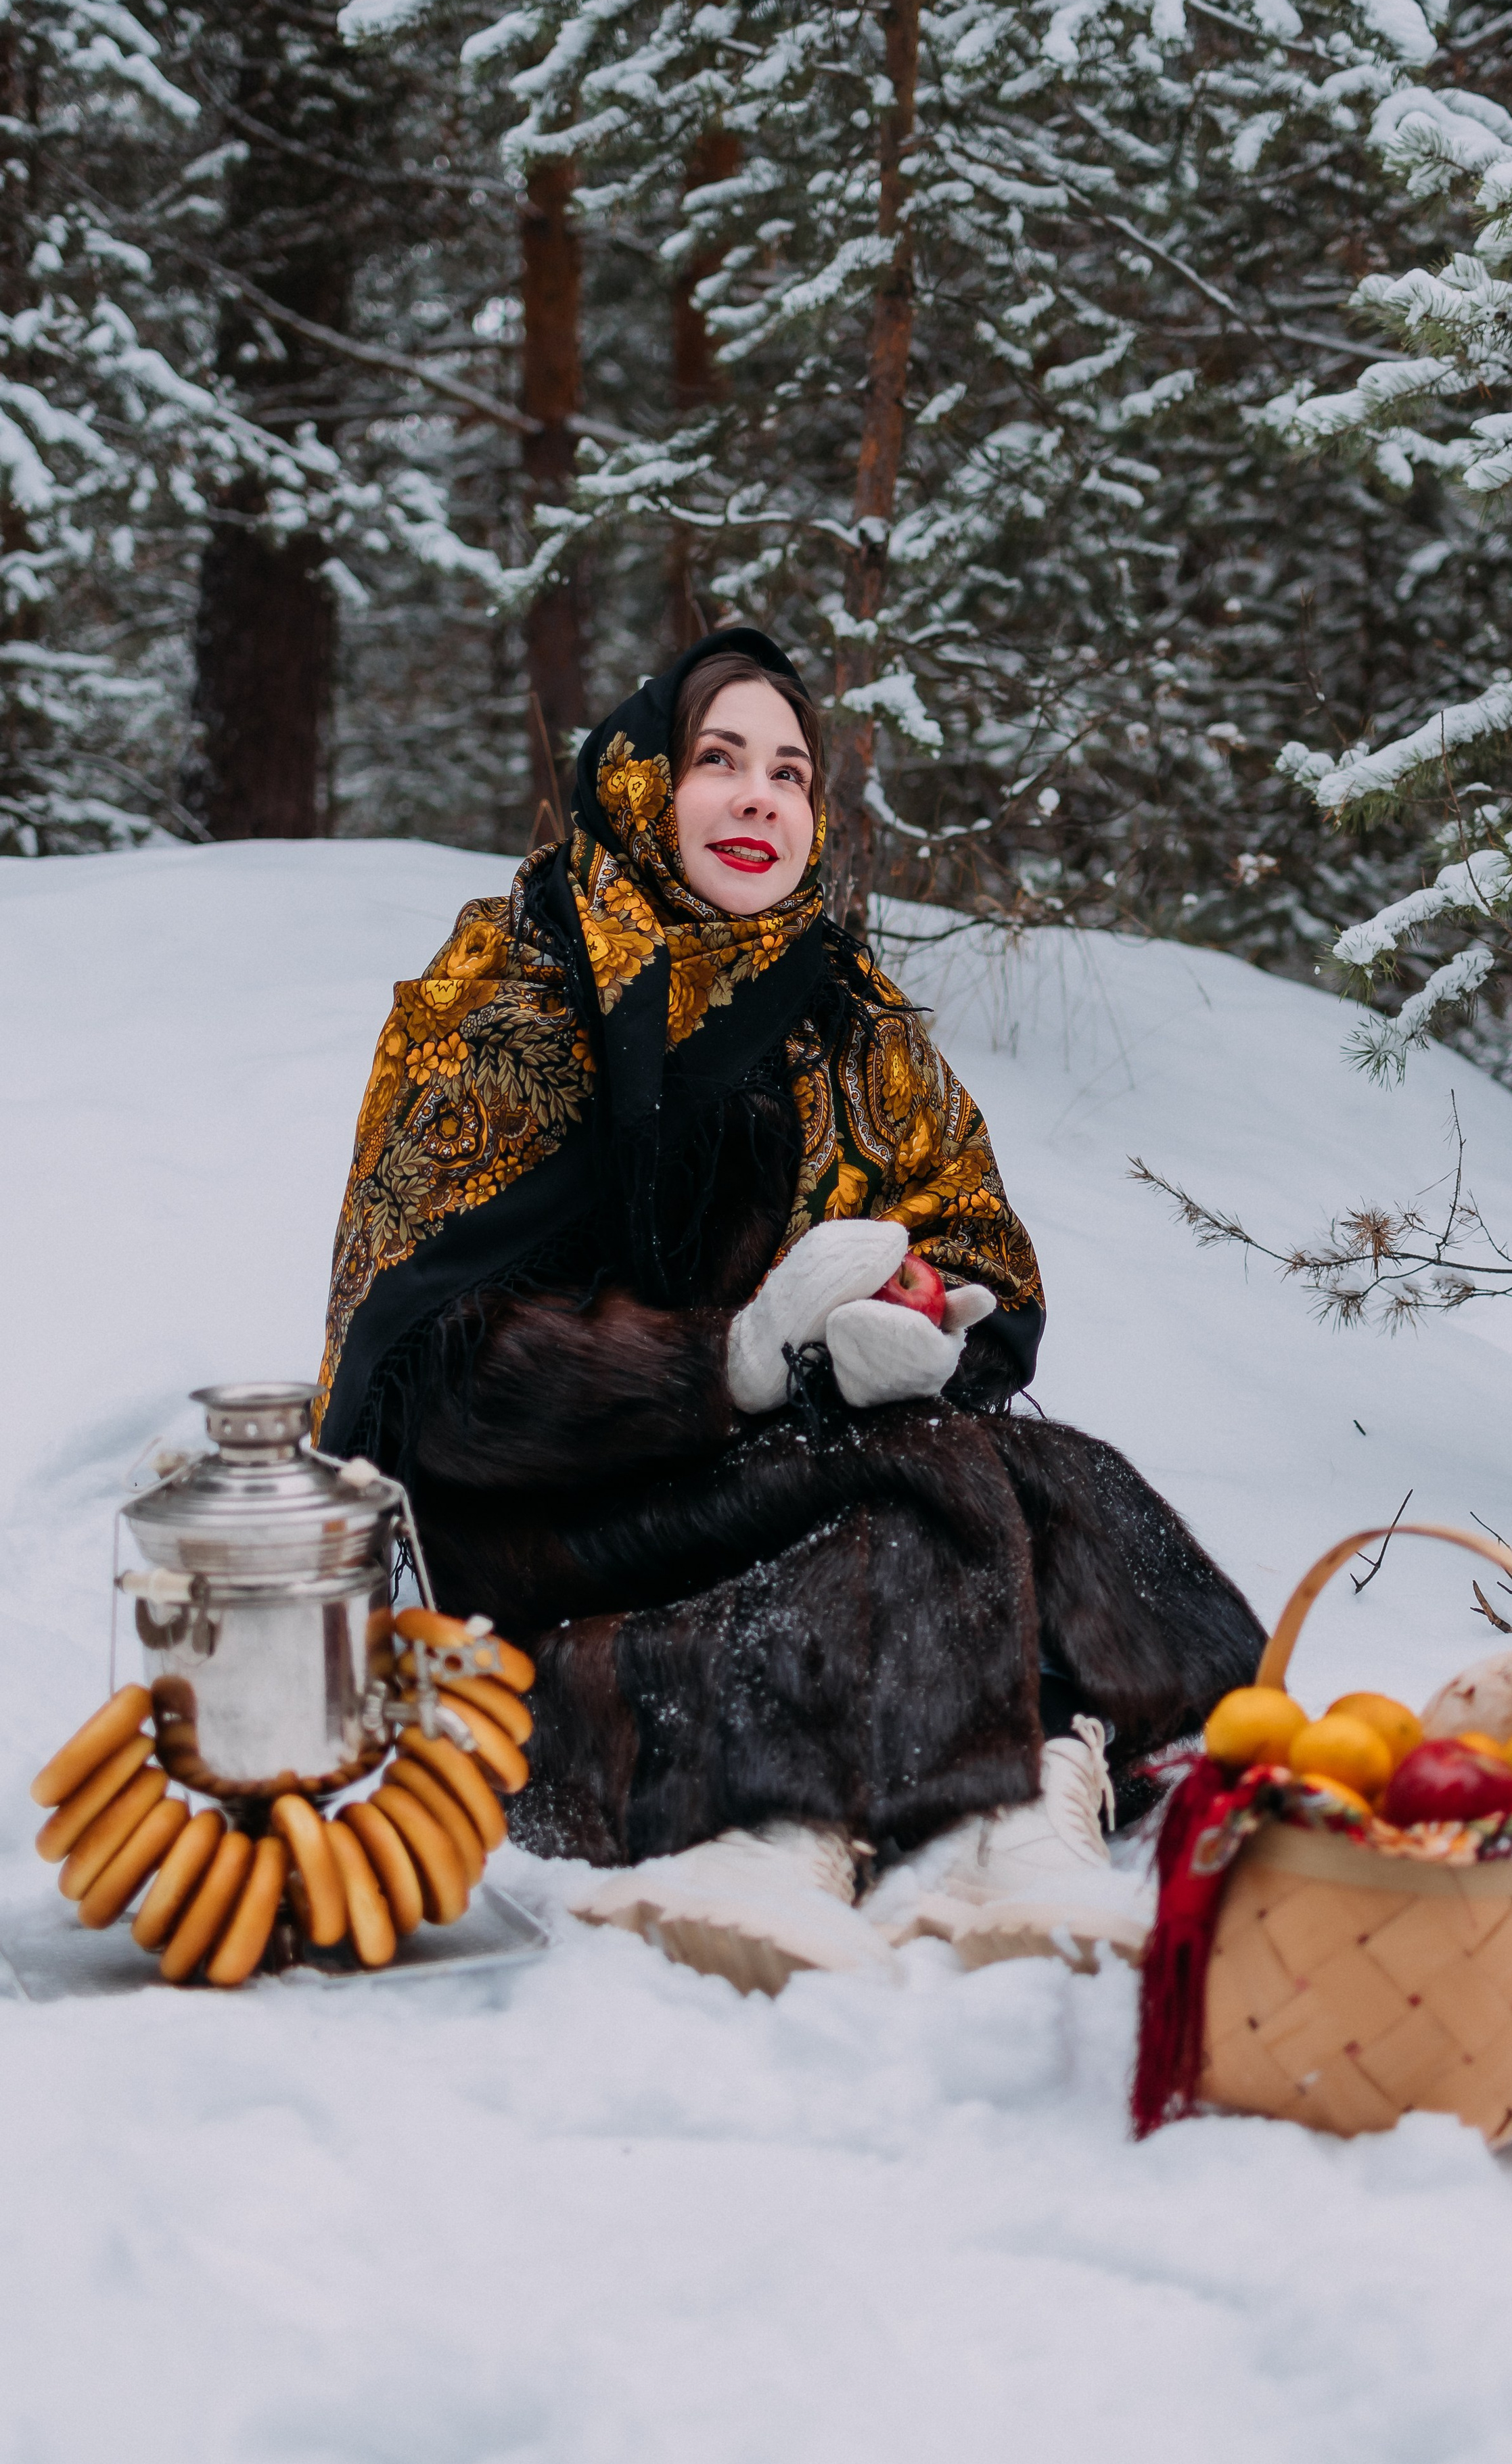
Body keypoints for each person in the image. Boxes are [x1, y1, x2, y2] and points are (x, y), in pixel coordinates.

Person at [314, 630, 1264, 1989]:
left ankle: (973, 1800)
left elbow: (975, 1243)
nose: (760, 798)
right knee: (923, 1491)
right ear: (642, 783)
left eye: (789, 773)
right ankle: (828, 1815)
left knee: (1057, 1477)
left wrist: (936, 1327)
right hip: (538, 1518)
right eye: (718, 762)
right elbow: (426, 1369)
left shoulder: (838, 1009)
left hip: (756, 1480)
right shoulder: (513, 990)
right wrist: (734, 1364)